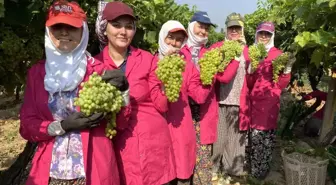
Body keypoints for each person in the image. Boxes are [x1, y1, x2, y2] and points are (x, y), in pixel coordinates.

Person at [19, 1, 129, 184]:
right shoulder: (37, 74)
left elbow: (121, 123)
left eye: (71, 27)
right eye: (57, 27)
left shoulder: (99, 71)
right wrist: (61, 126)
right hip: (51, 173)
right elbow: (27, 126)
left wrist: (124, 92)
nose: (64, 32)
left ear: (83, 31)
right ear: (48, 32)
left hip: (94, 171)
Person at [94, 2, 176, 185]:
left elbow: (162, 105)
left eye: (129, 27)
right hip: (118, 147)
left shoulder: (148, 59)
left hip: (152, 143)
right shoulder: (95, 66)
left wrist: (168, 83)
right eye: (116, 25)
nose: (123, 32)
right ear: (103, 28)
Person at [156, 20, 213, 185]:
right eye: (170, 37)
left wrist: (208, 78)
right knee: (162, 173)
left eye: (179, 39)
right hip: (159, 128)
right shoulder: (150, 61)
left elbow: (199, 96)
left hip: (181, 127)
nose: (174, 43)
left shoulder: (186, 63)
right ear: (162, 36)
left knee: (182, 173)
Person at [246, 21, 296, 179]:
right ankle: (251, 170)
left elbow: (281, 84)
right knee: (252, 138)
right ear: (256, 34)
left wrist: (287, 70)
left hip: (269, 104)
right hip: (252, 102)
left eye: (267, 34)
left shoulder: (278, 55)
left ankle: (259, 174)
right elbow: (249, 84)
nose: (263, 36)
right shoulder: (253, 52)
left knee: (264, 138)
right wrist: (251, 70)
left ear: (272, 36)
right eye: (261, 33)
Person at [210, 12, 250, 179]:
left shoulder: (248, 50)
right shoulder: (217, 47)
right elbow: (217, 75)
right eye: (231, 28)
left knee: (234, 138)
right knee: (218, 138)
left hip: (238, 101)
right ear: (226, 29)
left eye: (237, 28)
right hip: (219, 99)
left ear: (242, 30)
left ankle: (231, 169)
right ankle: (213, 167)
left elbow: (252, 76)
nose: (234, 31)